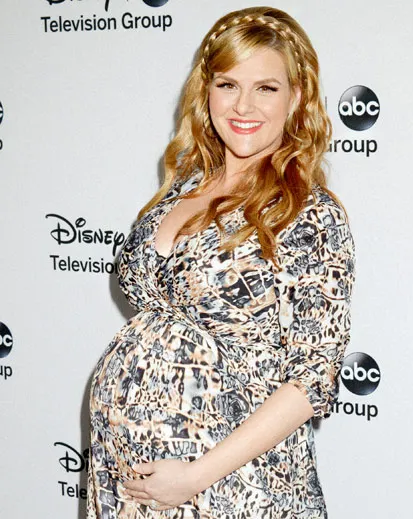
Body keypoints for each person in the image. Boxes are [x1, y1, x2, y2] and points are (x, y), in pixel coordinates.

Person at [87, 6, 356, 519]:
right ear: (206, 91)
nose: (243, 105)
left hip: (236, 487)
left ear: (296, 97)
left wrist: (193, 477)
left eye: (266, 88)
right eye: (228, 84)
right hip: (132, 481)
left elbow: (311, 379)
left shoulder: (308, 212)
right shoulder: (180, 191)